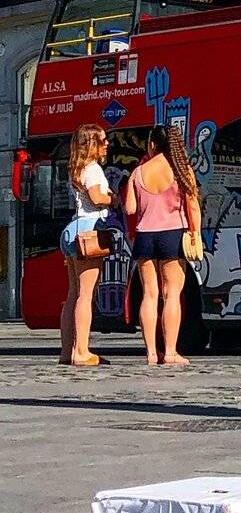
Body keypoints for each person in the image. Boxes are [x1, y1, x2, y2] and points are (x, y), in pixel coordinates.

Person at [124, 124, 202, 368]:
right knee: (172, 295)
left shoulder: (138, 172)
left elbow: (130, 209)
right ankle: (170, 352)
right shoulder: (181, 170)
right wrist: (195, 233)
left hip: (144, 237)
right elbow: (193, 206)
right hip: (172, 235)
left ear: (152, 145)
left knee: (149, 294)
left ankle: (150, 352)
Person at [59, 123, 113, 367]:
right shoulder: (93, 169)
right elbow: (97, 197)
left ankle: (67, 351)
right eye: (103, 140)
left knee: (73, 293)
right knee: (86, 294)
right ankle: (81, 351)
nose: (107, 144)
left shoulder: (77, 168)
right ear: (92, 144)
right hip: (90, 230)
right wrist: (114, 199)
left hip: (73, 229)